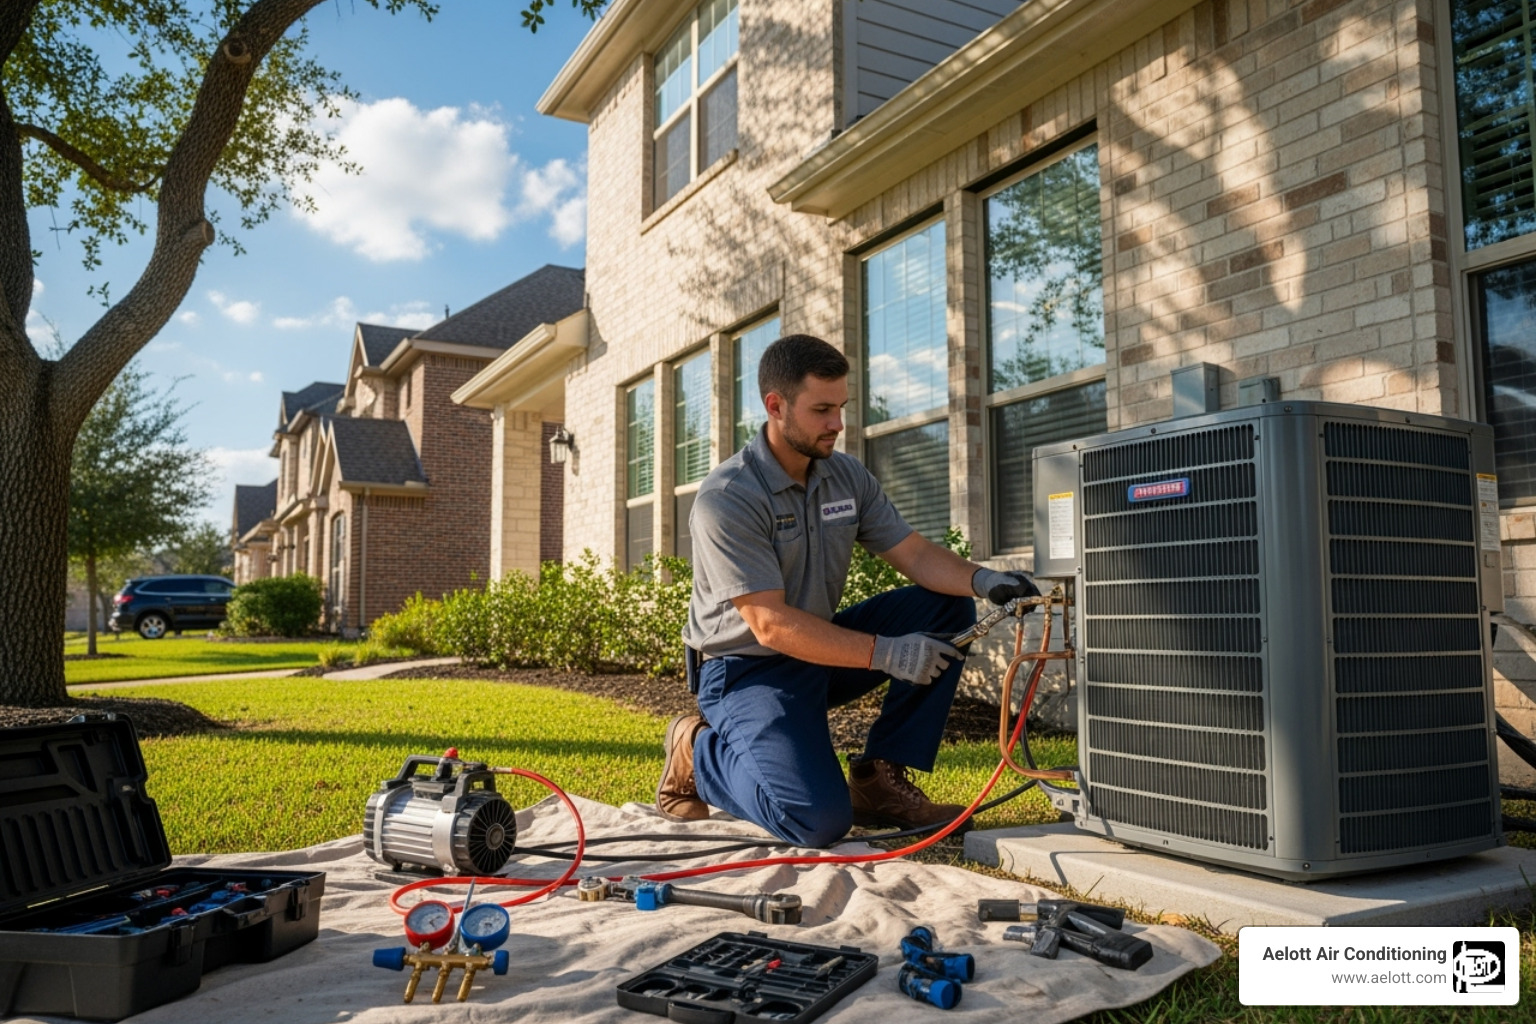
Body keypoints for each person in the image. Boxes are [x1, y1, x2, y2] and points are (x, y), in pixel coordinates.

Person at [656, 334, 1039, 847]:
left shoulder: (845, 477)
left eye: (840, 407)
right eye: (821, 410)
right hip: (744, 669)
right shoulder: (729, 497)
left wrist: (985, 580)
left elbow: (916, 555)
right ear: (776, 406)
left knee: (945, 603)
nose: (837, 423)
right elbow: (769, 624)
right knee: (816, 821)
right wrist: (887, 654)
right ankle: (696, 752)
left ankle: (878, 778)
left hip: (817, 648)